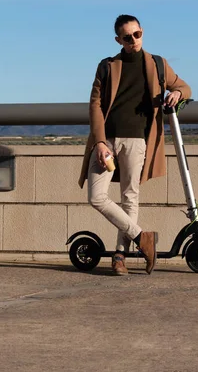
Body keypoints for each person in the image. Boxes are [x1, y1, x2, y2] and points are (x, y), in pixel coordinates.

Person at [78, 14, 191, 275]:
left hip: (138, 140)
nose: (133, 41)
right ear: (118, 39)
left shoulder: (158, 64)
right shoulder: (107, 66)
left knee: (130, 196)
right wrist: (100, 142)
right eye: (127, 37)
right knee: (97, 197)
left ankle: (120, 255)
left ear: (142, 32)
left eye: (137, 34)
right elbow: (95, 105)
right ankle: (143, 238)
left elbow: (185, 87)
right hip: (107, 141)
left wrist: (176, 93)